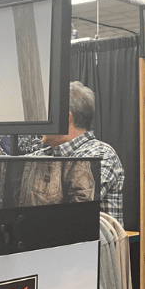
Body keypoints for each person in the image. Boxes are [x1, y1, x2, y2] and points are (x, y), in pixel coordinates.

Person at [34, 81, 125, 225]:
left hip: (88, 246)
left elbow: (72, 209)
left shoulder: (100, 154)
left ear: (66, 118)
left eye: (47, 115)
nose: (41, 120)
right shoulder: (41, 155)